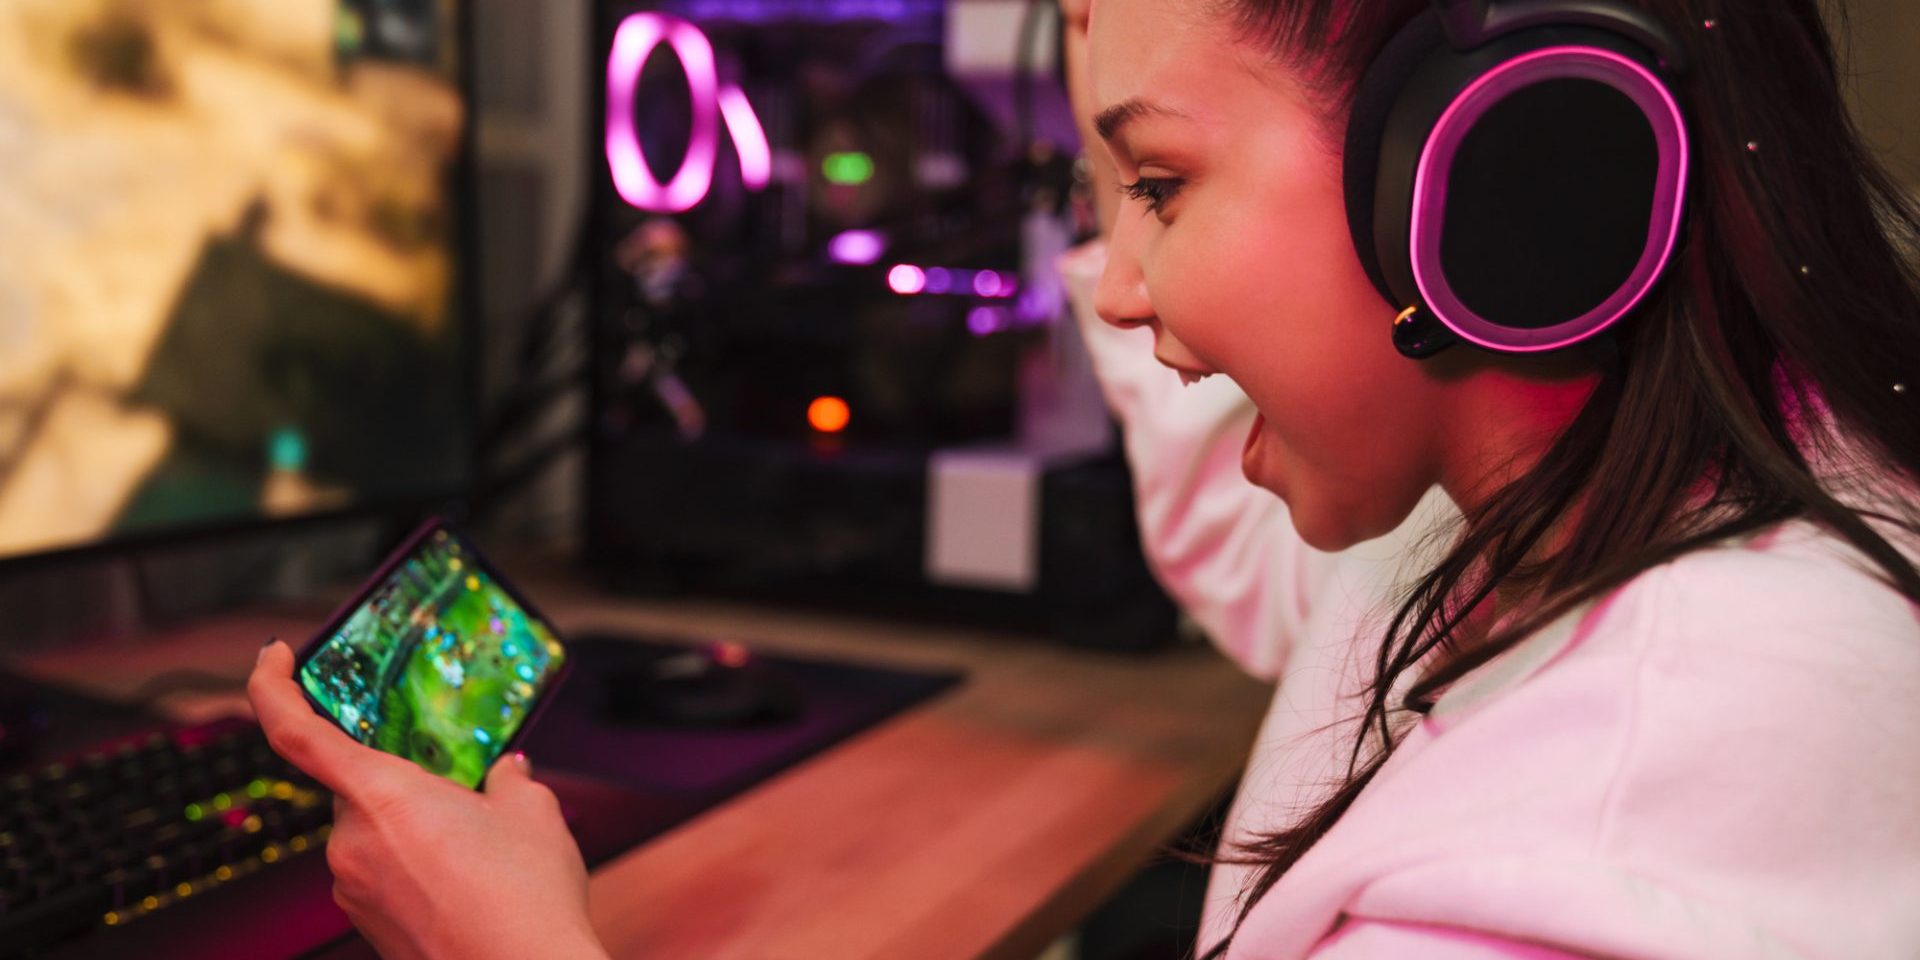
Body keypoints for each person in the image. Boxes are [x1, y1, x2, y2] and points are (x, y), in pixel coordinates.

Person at [247, 1, 1920, 958]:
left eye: (1158, 184)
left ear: (1499, 174)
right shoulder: (1614, 508)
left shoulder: (1648, 819)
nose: (1107, 288)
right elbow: (1290, 607)